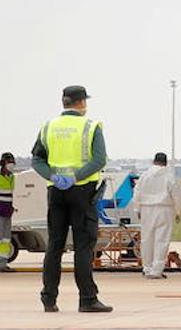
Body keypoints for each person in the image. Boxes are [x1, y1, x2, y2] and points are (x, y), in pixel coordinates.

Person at [31, 85, 111, 313]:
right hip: (82, 192)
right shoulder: (91, 126)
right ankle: (87, 298)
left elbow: (37, 160)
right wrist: (75, 176)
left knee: (55, 245)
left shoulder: (48, 127)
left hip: (55, 191)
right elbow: (99, 160)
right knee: (83, 246)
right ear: (82, 103)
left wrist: (53, 177)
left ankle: (48, 298)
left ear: (64, 102)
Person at [133, 152, 181, 279]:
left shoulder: (145, 176)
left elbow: (137, 193)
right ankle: (157, 270)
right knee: (162, 240)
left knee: (146, 239)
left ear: (153, 161)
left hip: (146, 209)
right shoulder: (169, 176)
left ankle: (147, 268)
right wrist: (178, 211)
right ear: (166, 162)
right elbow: (177, 195)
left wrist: (137, 209)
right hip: (165, 209)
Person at [0, 152, 15, 269]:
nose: (11, 165)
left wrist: (10, 208)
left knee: (6, 239)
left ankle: (3, 263)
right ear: (3, 163)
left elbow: (9, 195)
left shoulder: (12, 177)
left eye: (12, 163)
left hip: (7, 212)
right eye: (9, 162)